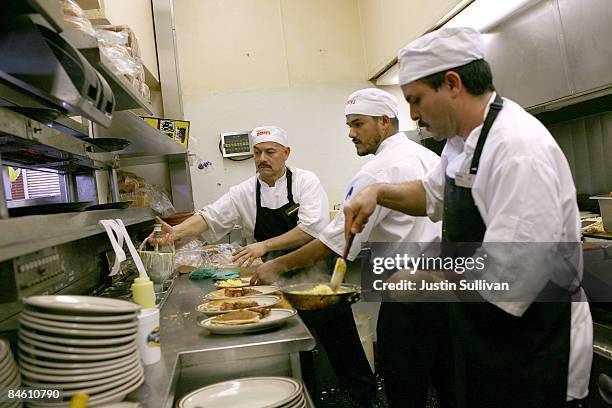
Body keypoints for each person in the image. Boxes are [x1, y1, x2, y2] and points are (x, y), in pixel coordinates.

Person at [343, 27, 593, 408]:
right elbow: (432, 193)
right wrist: (377, 193)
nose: (412, 114)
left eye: (416, 99)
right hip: (488, 334)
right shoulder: (462, 141)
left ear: (453, 83)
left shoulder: (516, 149)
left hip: (536, 348)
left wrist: (423, 282)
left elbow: (510, 275)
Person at [251, 88, 452, 407]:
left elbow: (336, 242)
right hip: (448, 292)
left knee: (405, 390)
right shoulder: (429, 157)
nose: (351, 134)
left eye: (358, 124)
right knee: (450, 386)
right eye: (350, 125)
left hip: (408, 299)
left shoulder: (377, 171)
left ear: (384, 122)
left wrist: (276, 265)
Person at [152, 125, 329, 266]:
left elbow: (310, 229)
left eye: (270, 152)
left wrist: (265, 245)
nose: (262, 159)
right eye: (257, 152)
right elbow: (210, 217)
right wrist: (175, 232)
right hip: (271, 272)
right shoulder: (244, 191)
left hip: (313, 269)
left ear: (286, 153)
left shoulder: (305, 181)